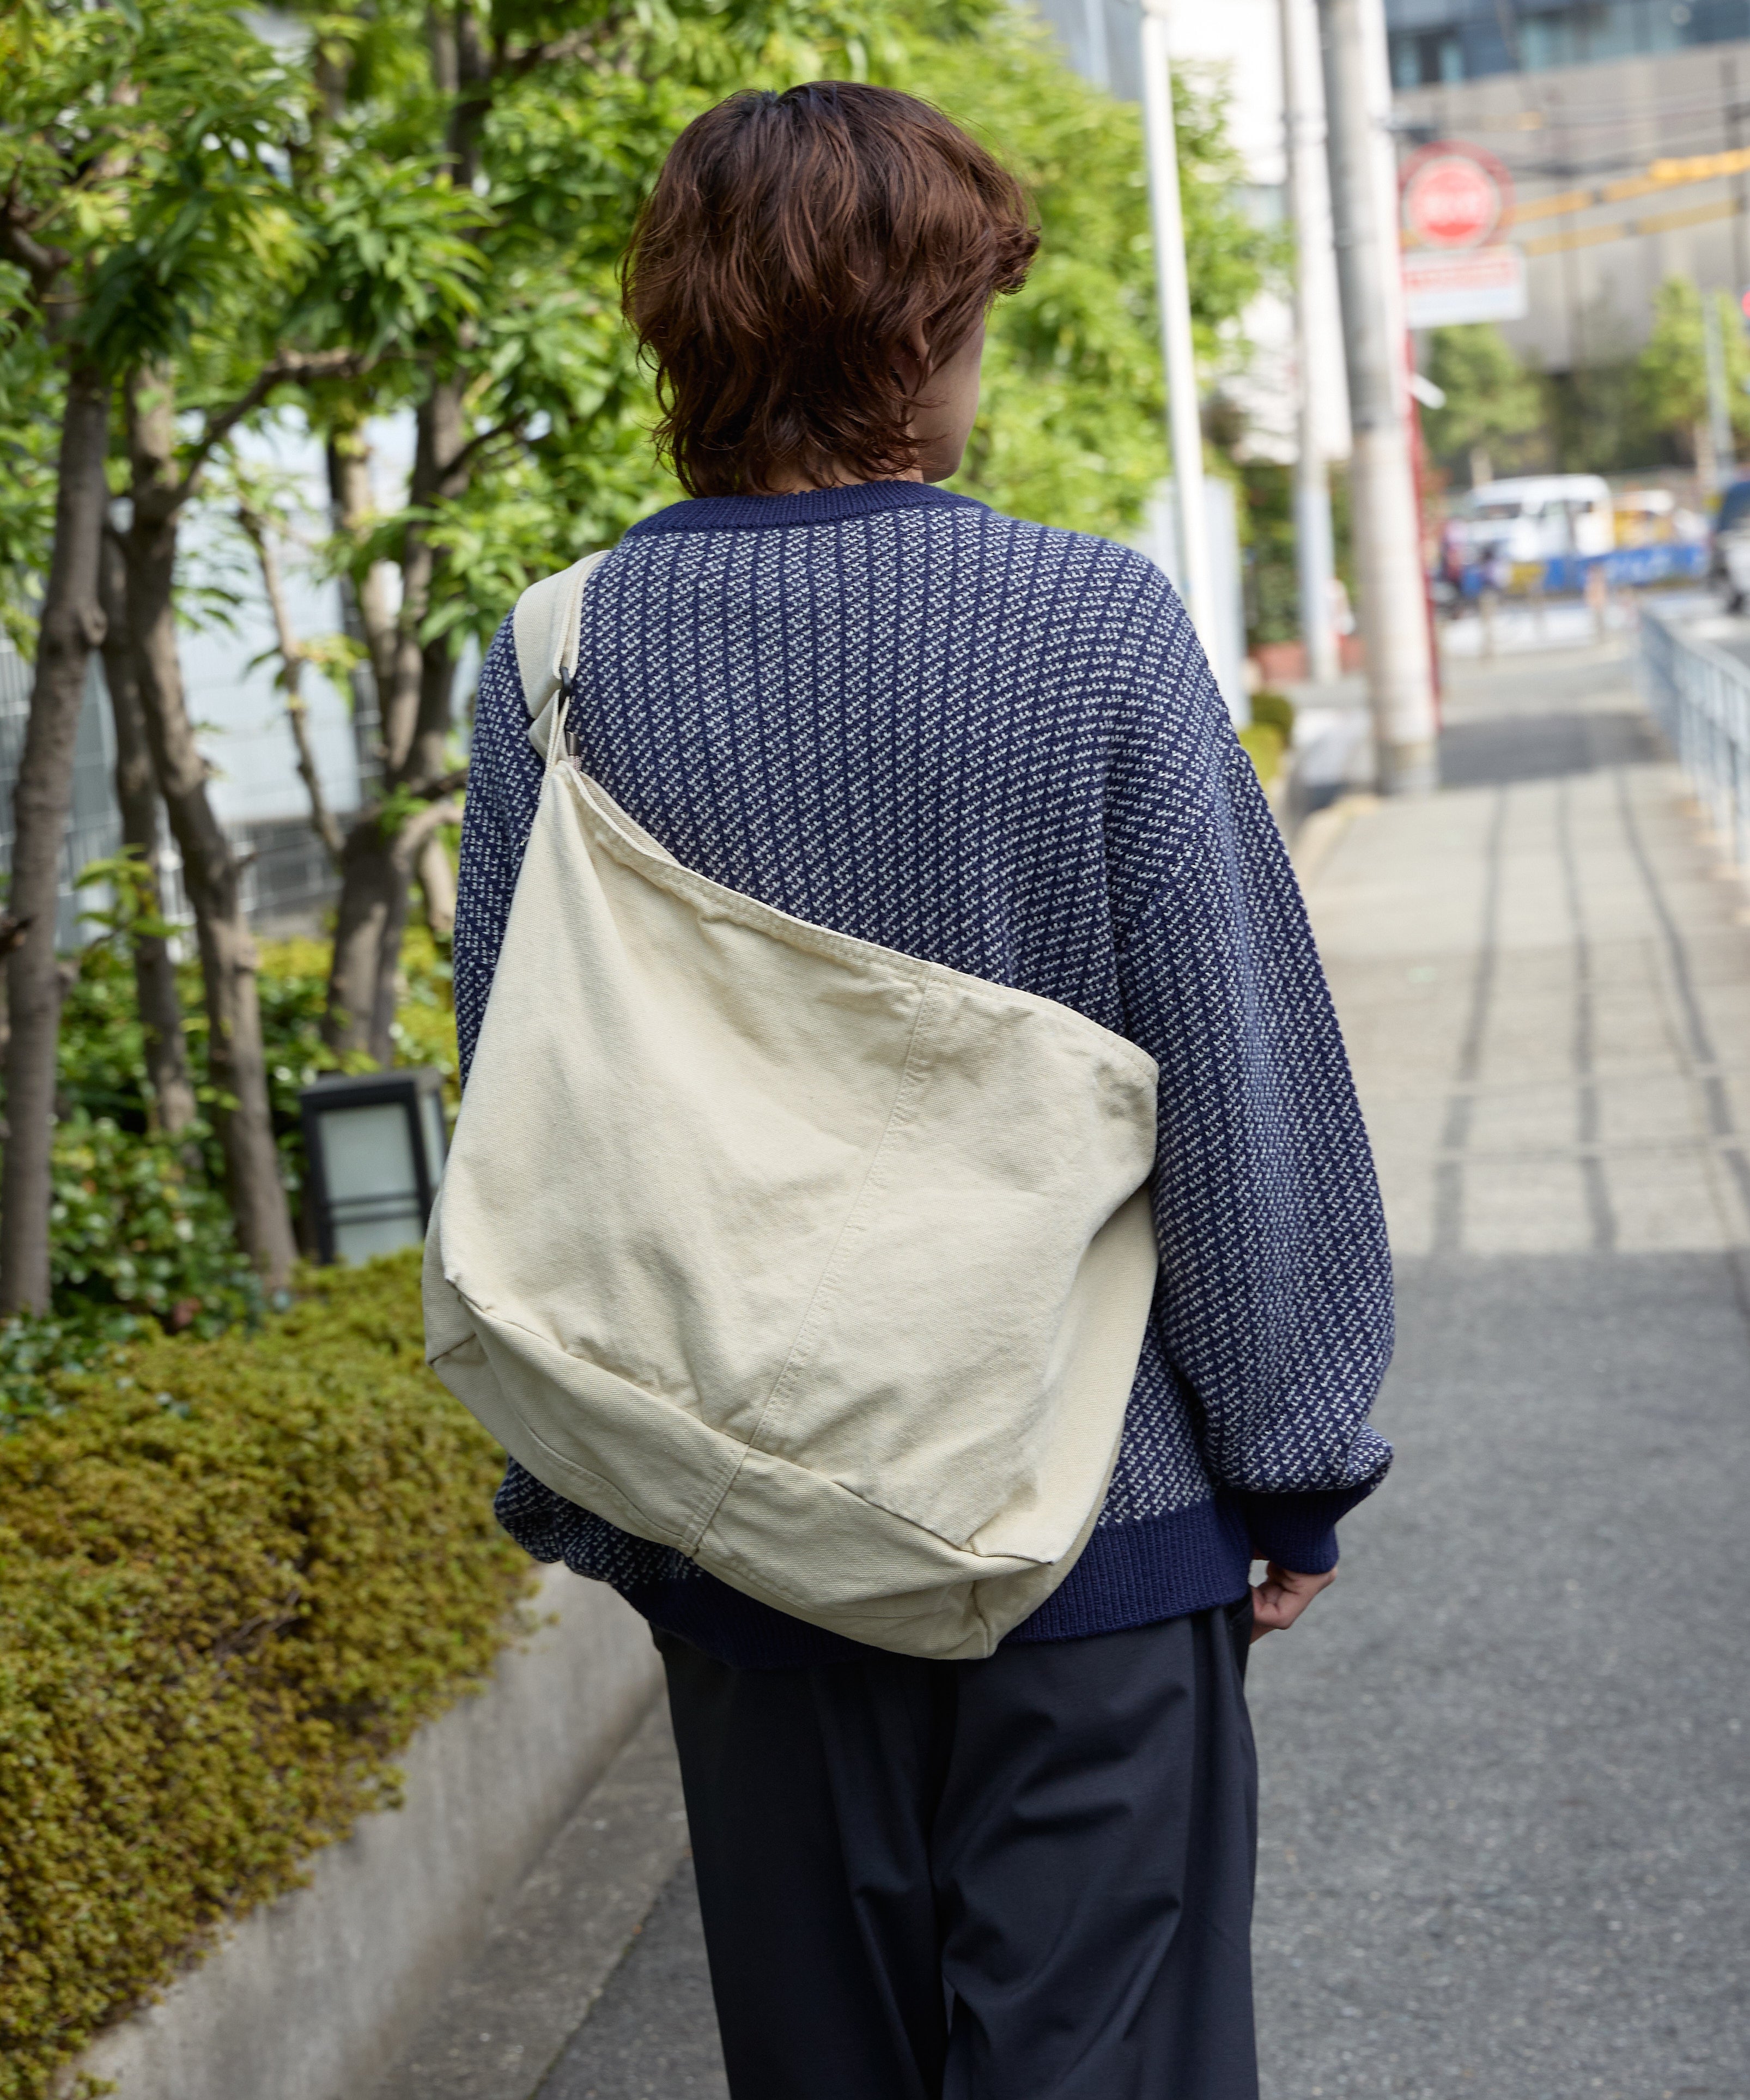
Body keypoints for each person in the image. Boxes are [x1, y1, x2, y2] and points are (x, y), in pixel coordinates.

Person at [453, 81, 1394, 2100]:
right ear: (919, 338)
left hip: (745, 1540)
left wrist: (603, 1505)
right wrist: (1292, 1455)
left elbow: (524, 1111)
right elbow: (1239, 1070)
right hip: (1090, 1526)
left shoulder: (556, 658)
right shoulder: (1087, 626)